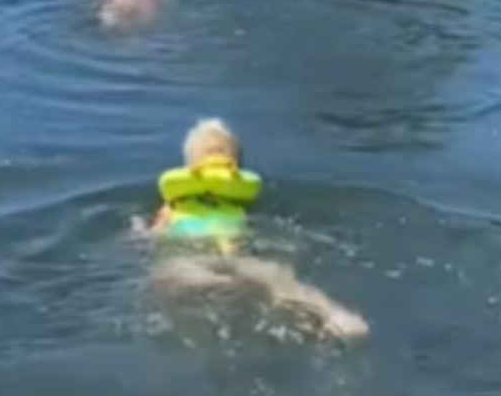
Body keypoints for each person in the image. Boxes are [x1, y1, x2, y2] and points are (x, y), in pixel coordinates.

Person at [143, 118, 369, 342]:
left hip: (192, 255)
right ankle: (333, 315)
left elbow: (154, 234)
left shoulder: (172, 205)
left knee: (170, 275)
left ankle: (216, 283)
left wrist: (142, 232)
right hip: (235, 258)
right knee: (277, 276)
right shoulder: (236, 203)